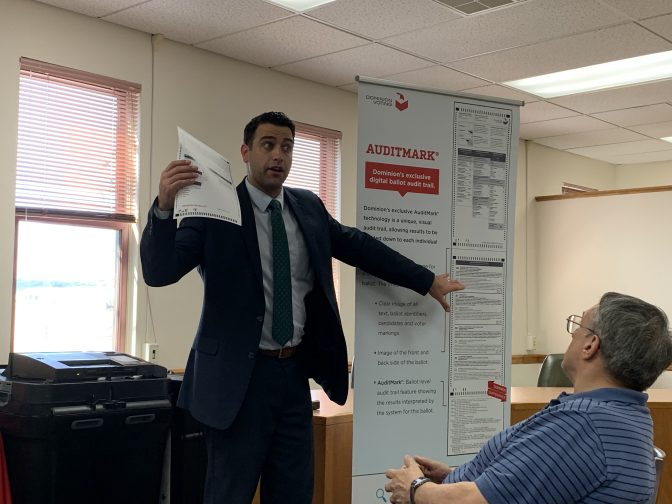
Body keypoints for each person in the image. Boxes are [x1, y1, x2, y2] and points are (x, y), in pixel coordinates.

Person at [140, 111, 465, 504]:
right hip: (237, 382)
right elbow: (160, 272)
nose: (278, 155)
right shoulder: (217, 208)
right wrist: (163, 206)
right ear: (246, 152)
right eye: (268, 145)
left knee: (294, 493)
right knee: (228, 494)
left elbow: (359, 246)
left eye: (287, 146)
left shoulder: (307, 207)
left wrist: (425, 280)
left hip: (294, 377)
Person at [385, 292, 672, 504]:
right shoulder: (622, 416)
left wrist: (414, 488)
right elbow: (533, 480)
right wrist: (453, 476)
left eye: (578, 326)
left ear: (590, 344)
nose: (572, 336)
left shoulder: (584, 425)